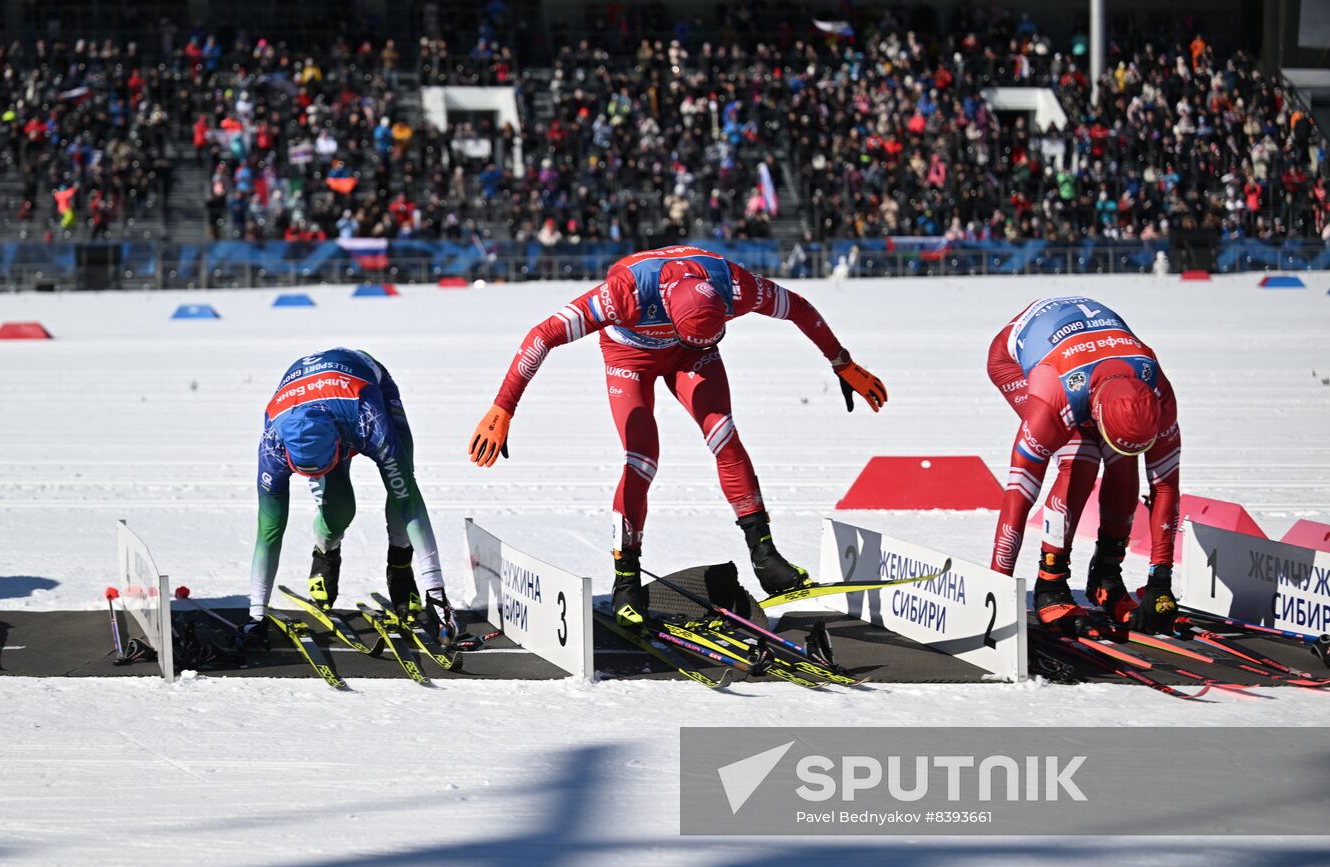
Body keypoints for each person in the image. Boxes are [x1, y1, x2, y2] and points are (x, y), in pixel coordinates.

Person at [467, 245, 888, 625]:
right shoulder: (623, 294)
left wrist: (842, 362)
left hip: (693, 352)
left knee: (724, 435)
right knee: (642, 459)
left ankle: (765, 556)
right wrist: (504, 406)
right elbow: (543, 335)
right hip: (630, 354)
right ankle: (626, 579)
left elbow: (796, 306)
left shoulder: (732, 283)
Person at [986, 296, 1182, 634]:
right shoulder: (1053, 396)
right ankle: (1051, 581)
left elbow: (1165, 485)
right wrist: (996, 588)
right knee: (1081, 454)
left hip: (1093, 356)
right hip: (1023, 360)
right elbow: (1018, 494)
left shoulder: (1158, 391)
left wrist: (1159, 580)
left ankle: (1105, 574)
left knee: (1123, 462)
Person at [248, 348, 455, 649]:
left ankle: (400, 564)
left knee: (401, 483)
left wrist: (436, 592)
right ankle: (326, 553)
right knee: (339, 511)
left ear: (337, 444)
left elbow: (407, 499)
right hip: (312, 405)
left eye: (322, 466)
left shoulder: (369, 421)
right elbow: (269, 531)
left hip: (362, 389)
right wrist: (256, 615)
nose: (315, 474)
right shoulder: (273, 446)